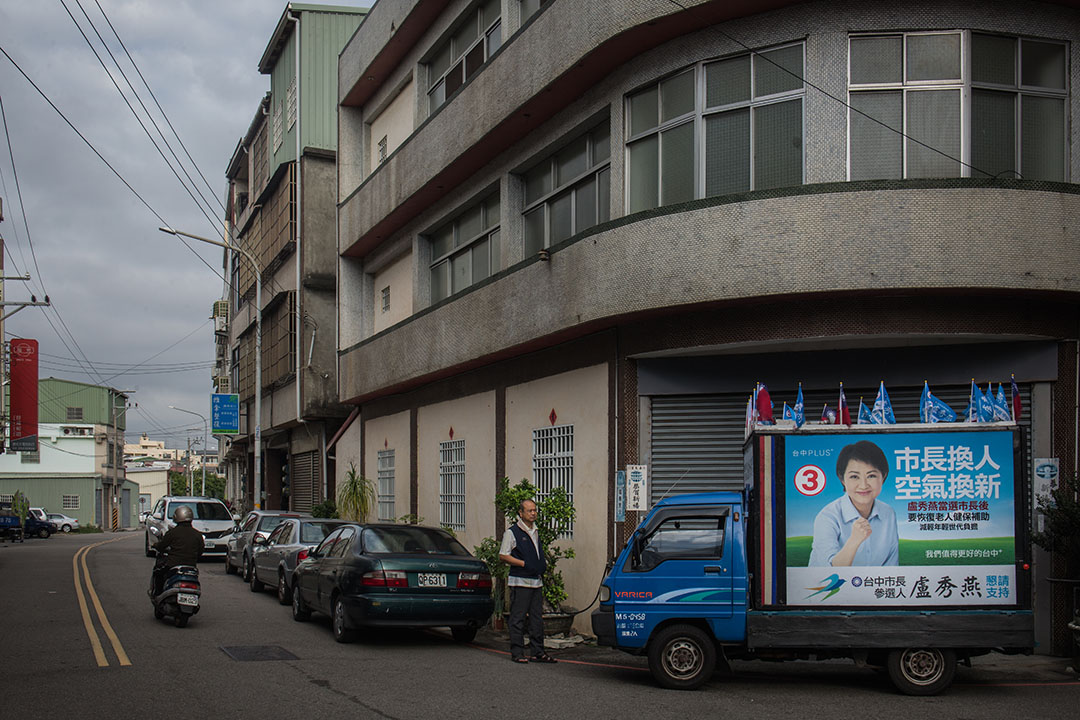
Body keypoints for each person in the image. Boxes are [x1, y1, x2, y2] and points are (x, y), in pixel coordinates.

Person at [807, 440, 899, 567]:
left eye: (871, 476)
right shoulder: (827, 517)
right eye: (854, 477)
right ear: (842, 479)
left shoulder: (888, 513)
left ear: (883, 476)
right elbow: (828, 572)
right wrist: (854, 540)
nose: (863, 485)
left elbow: (891, 566)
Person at [499, 498, 557, 664]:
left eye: (534, 510)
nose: (533, 514)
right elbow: (503, 555)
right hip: (520, 581)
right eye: (529, 511)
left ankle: (538, 652)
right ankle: (517, 652)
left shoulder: (535, 530)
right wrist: (523, 563)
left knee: (536, 618)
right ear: (521, 513)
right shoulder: (512, 532)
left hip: (536, 582)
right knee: (518, 618)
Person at [150, 505, 204, 596]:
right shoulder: (197, 534)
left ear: (177, 517)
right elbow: (200, 551)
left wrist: (155, 545)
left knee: (158, 573)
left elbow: (162, 546)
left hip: (173, 565)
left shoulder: (173, 533)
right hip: (191, 566)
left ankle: (157, 594)